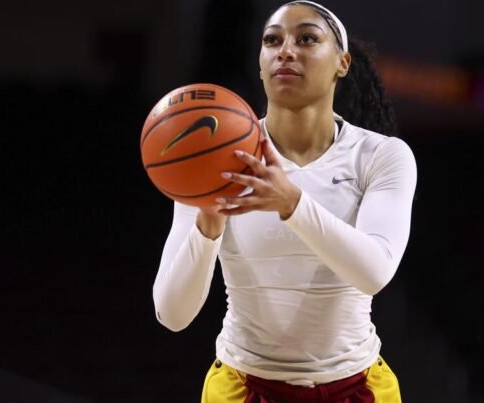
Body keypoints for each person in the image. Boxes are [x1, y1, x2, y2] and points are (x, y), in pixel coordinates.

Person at [152, 1, 417, 402]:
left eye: (307, 38)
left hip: (355, 385)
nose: (285, 51)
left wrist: (292, 203)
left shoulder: (381, 156)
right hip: (244, 386)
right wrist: (207, 225)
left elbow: (374, 273)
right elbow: (172, 315)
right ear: (260, 64)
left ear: (342, 63)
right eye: (272, 40)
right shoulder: (212, 157)